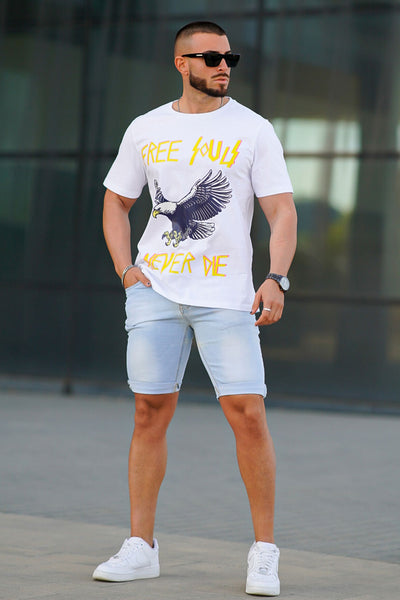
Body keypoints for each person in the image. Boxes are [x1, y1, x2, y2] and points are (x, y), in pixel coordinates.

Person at [92, 21, 297, 597]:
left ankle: (264, 552)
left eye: (229, 57)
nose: (223, 65)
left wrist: (277, 277)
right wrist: (126, 270)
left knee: (247, 414)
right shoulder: (146, 127)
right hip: (155, 291)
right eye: (210, 57)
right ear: (181, 63)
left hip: (227, 296)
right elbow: (116, 201)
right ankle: (141, 546)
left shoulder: (253, 129)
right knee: (148, 412)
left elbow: (282, 211)